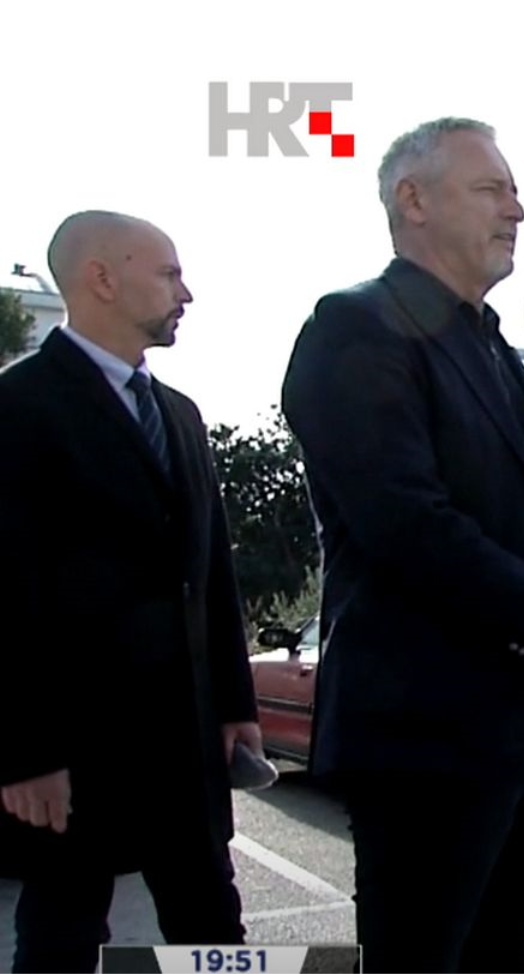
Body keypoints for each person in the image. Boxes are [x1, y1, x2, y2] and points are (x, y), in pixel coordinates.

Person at [280, 118, 524, 973]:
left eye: (515, 191)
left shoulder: (503, 356)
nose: (517, 209)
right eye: (491, 189)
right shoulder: (354, 328)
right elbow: (408, 525)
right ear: (413, 200)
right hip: (428, 740)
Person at [0, 211, 257, 973]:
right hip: (74, 753)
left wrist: (235, 705)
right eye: (169, 274)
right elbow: (5, 594)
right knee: (61, 941)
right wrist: (24, 754)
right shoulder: (19, 407)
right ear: (102, 279)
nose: (187, 293)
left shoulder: (180, 414)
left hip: (185, 748)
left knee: (214, 934)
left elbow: (211, 576)